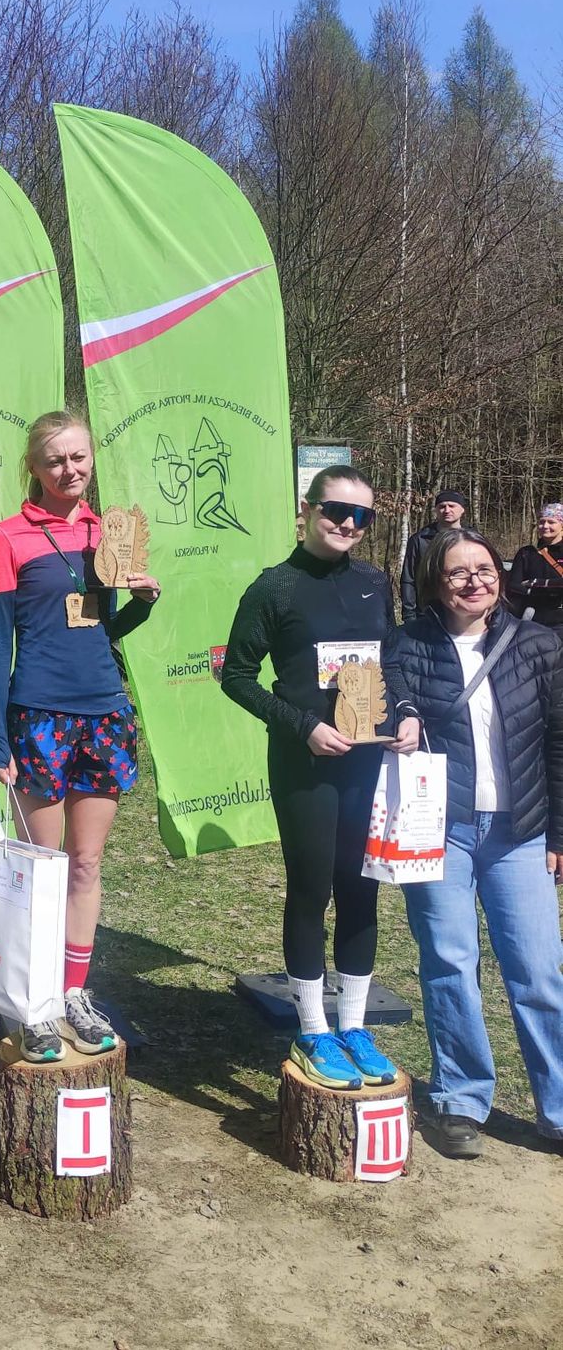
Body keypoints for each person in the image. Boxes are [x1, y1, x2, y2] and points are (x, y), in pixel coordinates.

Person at [221, 466, 417, 1091]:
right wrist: (302, 725)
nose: (348, 524)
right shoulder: (274, 587)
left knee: (361, 890)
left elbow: (391, 660)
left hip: (367, 760)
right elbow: (237, 676)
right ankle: (312, 1029)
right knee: (311, 890)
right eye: (336, 510)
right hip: (306, 763)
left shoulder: (374, 582)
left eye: (362, 516)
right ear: (306, 510)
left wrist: (406, 712)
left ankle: (353, 1026)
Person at [0, 412, 160, 1063]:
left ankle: (74, 993)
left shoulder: (107, 533)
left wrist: (141, 602)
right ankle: (34, 1001)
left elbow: (101, 630)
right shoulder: (7, 538)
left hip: (105, 714)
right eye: (55, 460)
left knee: (85, 865)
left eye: (79, 457)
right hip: (39, 718)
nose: (70, 470)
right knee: (42, 871)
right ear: (34, 467)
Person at [384, 527, 563, 1158]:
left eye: (484, 569)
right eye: (458, 572)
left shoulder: (539, 645)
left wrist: (559, 833)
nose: (474, 581)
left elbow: (559, 742)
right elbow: (387, 697)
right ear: (436, 581)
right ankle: (460, 1099)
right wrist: (400, 715)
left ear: (501, 576)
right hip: (440, 829)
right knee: (450, 963)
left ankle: (558, 1107)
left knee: (538, 971)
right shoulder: (406, 643)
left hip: (521, 832)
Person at [400, 489, 467, 621]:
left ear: (462, 509)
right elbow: (408, 579)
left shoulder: (473, 540)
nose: (447, 510)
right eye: (442, 506)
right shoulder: (420, 540)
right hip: (428, 615)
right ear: (436, 510)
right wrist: (409, 615)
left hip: (464, 613)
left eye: (452, 506)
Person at [505, 502, 563, 631]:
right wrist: (549, 590)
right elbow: (513, 585)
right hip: (533, 621)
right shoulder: (527, 553)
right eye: (542, 522)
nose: (545, 526)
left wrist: (535, 583)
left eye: (551, 522)